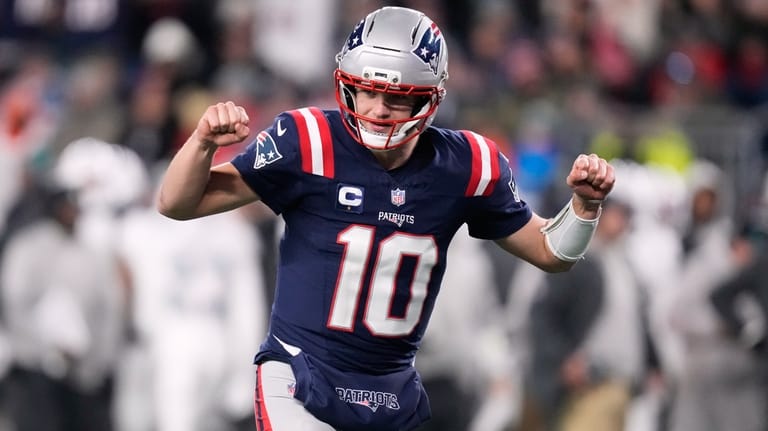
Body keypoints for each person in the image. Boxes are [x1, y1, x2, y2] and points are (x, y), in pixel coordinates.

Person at [156, 6, 615, 431]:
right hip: (300, 377)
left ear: (430, 99)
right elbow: (177, 203)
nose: (377, 109)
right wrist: (201, 143)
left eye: (395, 97)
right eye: (367, 90)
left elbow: (552, 253)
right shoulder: (308, 140)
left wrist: (585, 207)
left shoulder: (467, 166)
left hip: (391, 392)